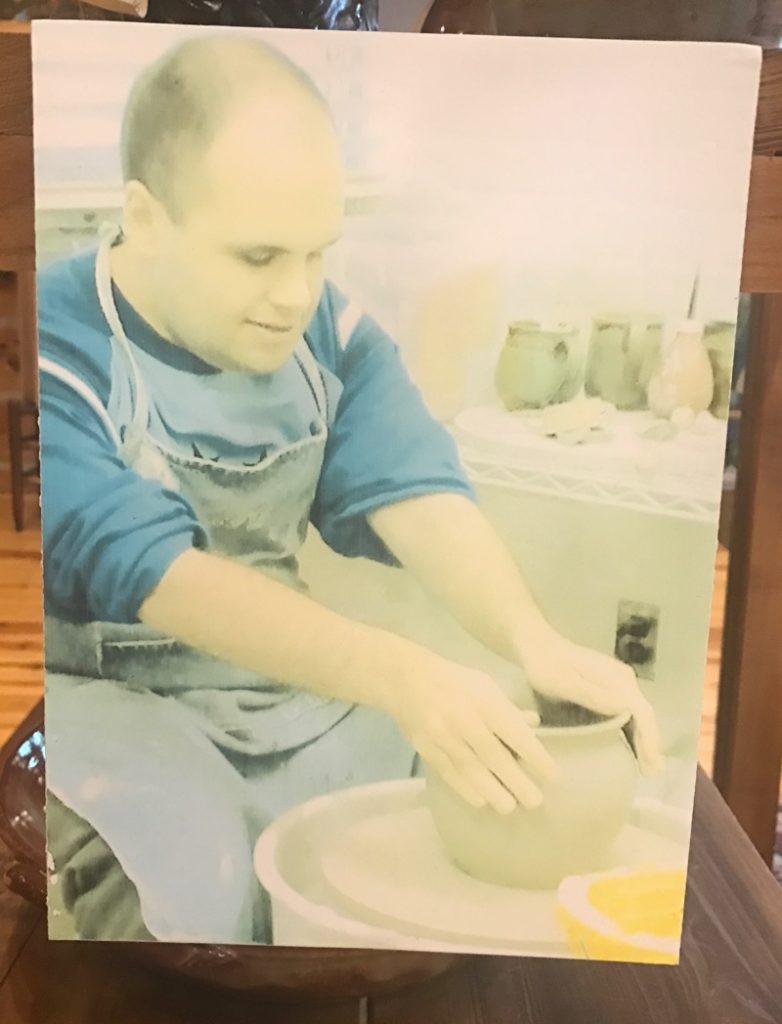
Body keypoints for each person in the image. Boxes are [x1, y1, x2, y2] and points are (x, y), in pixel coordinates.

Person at [39, 33, 661, 944]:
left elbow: (412, 480)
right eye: (258, 258)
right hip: (110, 708)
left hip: (282, 682)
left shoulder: (329, 328)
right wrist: (404, 672)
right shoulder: (60, 334)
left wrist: (533, 641)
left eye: (316, 254)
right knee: (197, 875)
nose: (296, 295)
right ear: (147, 215)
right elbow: (145, 564)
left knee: (463, 796)